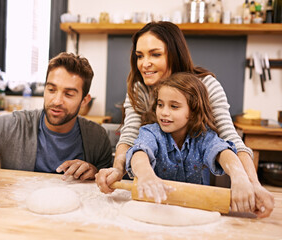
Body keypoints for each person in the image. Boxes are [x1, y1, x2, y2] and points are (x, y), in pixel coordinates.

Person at [95, 21, 274, 218]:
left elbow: (229, 140)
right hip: (153, 201)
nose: (144, 64)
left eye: (155, 54)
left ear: (174, 53)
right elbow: (131, 137)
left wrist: (250, 182)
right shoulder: (140, 90)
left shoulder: (205, 87)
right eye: (140, 56)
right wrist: (118, 168)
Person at [0, 52, 112, 181]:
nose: (56, 101)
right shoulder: (13, 125)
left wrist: (94, 172)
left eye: (68, 94)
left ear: (84, 100)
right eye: (51, 90)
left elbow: (106, 183)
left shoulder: (97, 137)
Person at [126, 72, 255, 213]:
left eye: (174, 106)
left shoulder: (203, 137)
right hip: (157, 207)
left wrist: (239, 177)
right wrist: (146, 175)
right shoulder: (151, 133)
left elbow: (223, 152)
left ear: (193, 111)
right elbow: (139, 153)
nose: (164, 112)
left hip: (196, 210)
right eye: (160, 105)